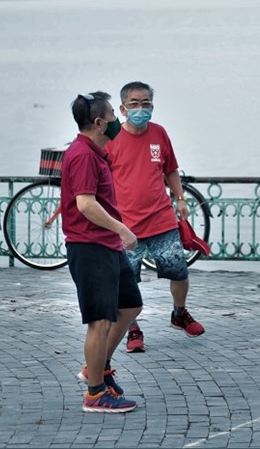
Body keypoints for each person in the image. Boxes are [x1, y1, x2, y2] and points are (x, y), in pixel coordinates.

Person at [105, 81, 205, 353]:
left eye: (146, 103)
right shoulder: (111, 140)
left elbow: (171, 169)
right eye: (134, 104)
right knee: (126, 283)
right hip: (126, 226)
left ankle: (179, 313)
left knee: (180, 272)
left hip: (162, 219)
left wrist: (180, 199)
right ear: (123, 108)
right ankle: (133, 329)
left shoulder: (159, 134)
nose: (141, 108)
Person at [61, 92, 143, 412]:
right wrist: (122, 229)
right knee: (99, 321)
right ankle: (95, 393)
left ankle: (97, 366)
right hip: (90, 247)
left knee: (129, 306)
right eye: (112, 115)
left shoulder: (96, 152)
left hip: (107, 246)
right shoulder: (82, 154)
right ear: (98, 123)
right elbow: (85, 204)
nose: (117, 120)